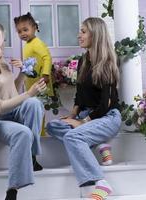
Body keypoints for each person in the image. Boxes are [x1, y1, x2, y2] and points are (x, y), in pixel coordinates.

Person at [46, 17, 121, 200]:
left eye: (83, 31)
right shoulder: (83, 61)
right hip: (86, 115)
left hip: (106, 117)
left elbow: (105, 105)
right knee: (53, 127)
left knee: (72, 135)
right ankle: (100, 144)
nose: (79, 35)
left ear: (95, 35)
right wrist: (72, 115)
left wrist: (81, 122)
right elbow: (80, 94)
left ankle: (100, 183)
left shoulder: (108, 63)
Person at [0, 22, 46, 200]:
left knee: (34, 103)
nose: (4, 43)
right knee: (22, 132)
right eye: (2, 40)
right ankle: (12, 190)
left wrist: (23, 73)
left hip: (11, 113)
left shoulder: (1, 63)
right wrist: (28, 93)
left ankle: (32, 156)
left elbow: (12, 91)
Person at [12, 12, 53, 136]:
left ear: (34, 28)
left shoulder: (37, 43)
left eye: (25, 30)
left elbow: (47, 57)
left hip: (41, 82)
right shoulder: (28, 45)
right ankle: (37, 133)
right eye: (19, 31)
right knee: (34, 109)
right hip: (32, 83)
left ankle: (40, 135)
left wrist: (45, 75)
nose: (22, 34)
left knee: (38, 109)